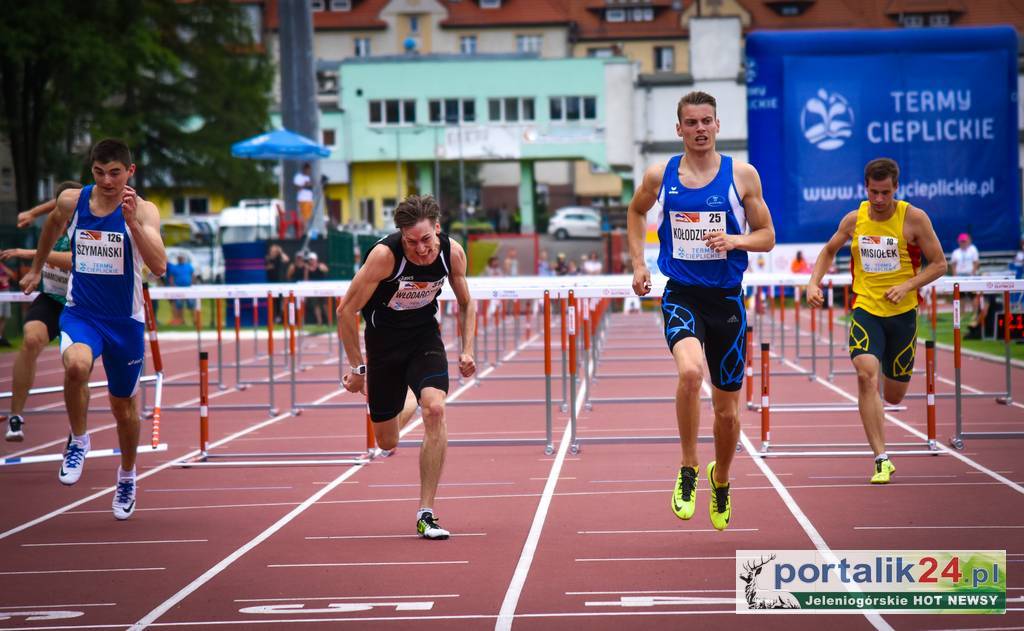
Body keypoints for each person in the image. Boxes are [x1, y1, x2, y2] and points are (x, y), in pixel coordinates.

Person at [627, 90, 775, 531]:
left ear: (717, 125)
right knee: (690, 374)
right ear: (679, 129)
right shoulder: (660, 175)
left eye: (706, 121)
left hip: (727, 300)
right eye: (691, 123)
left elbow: (766, 235)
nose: (700, 129)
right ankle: (689, 467)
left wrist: (735, 240)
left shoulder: (742, 176)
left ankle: (722, 478)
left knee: (728, 413)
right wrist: (639, 263)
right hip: (682, 293)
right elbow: (635, 213)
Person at [20, 138, 167, 520]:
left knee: (124, 410)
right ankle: (79, 440)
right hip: (83, 312)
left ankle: (127, 476)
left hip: (125, 322)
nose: (106, 181)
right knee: (75, 366)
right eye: (99, 172)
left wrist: (132, 224)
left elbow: (160, 265)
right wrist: (36, 267)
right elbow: (51, 224)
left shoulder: (145, 211)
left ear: (130, 172)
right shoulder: (74, 201)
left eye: (115, 173)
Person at [338, 194, 476, 539]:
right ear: (401, 236)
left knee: (436, 409)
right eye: (412, 242)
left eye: (427, 240)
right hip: (383, 348)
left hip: (423, 340)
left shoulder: (451, 252)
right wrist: (357, 369)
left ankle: (426, 512)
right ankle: (410, 399)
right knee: (386, 442)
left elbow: (467, 302)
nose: (421, 250)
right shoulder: (385, 257)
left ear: (438, 229)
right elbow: (345, 310)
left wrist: (468, 350)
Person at [806, 158, 946, 484]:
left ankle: (883, 397)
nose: (879, 200)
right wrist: (814, 283)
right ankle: (881, 457)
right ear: (865, 187)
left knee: (894, 394)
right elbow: (828, 251)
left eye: (885, 193)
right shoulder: (855, 220)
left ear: (896, 187)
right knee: (866, 375)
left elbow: (939, 264)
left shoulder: (914, 219)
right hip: (866, 309)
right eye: (873, 192)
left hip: (902, 315)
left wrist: (907, 285)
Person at [1, 181, 82, 440]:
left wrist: (33, 254)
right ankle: (15, 417)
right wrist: (33, 213)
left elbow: (73, 261)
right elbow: (58, 200)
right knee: (31, 339)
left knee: (77, 367)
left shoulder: (86, 225)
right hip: (50, 299)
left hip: (79, 304)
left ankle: (76, 432)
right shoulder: (55, 221)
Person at [949, 231, 981, 314]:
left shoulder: (973, 249)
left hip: (970, 275)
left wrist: (973, 274)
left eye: (964, 241)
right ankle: (962, 314)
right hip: (959, 276)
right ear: (959, 242)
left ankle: (975, 313)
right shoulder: (956, 252)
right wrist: (954, 276)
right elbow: (953, 265)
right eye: (961, 241)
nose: (963, 243)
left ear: (968, 241)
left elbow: (976, 262)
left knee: (973, 295)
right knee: (960, 296)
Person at [165, 253, 194, 326]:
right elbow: (171, 277)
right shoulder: (174, 267)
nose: (180, 259)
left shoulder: (189, 266)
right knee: (179, 305)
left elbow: (192, 275)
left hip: (188, 289)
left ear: (184, 259)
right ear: (177, 259)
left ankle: (194, 321)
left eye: (181, 258)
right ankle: (181, 320)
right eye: (179, 258)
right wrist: (172, 286)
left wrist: (192, 284)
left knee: (191, 304)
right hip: (178, 289)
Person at [305, 252, 328, 325]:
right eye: (310, 260)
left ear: (316, 259)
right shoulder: (307, 268)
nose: (311, 261)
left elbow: (326, 270)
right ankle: (319, 322)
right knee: (316, 306)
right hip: (313, 289)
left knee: (324, 305)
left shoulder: (320, 266)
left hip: (322, 288)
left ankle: (329, 321)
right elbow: (306, 279)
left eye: (312, 259)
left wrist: (322, 267)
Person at [294, 163, 314, 238]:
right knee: (303, 218)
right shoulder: (298, 177)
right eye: (308, 170)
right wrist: (305, 185)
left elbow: (311, 187)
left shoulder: (308, 178)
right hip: (303, 200)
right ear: (305, 169)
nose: (309, 172)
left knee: (309, 217)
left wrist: (310, 185)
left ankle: (307, 232)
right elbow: (297, 188)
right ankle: (304, 233)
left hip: (309, 200)